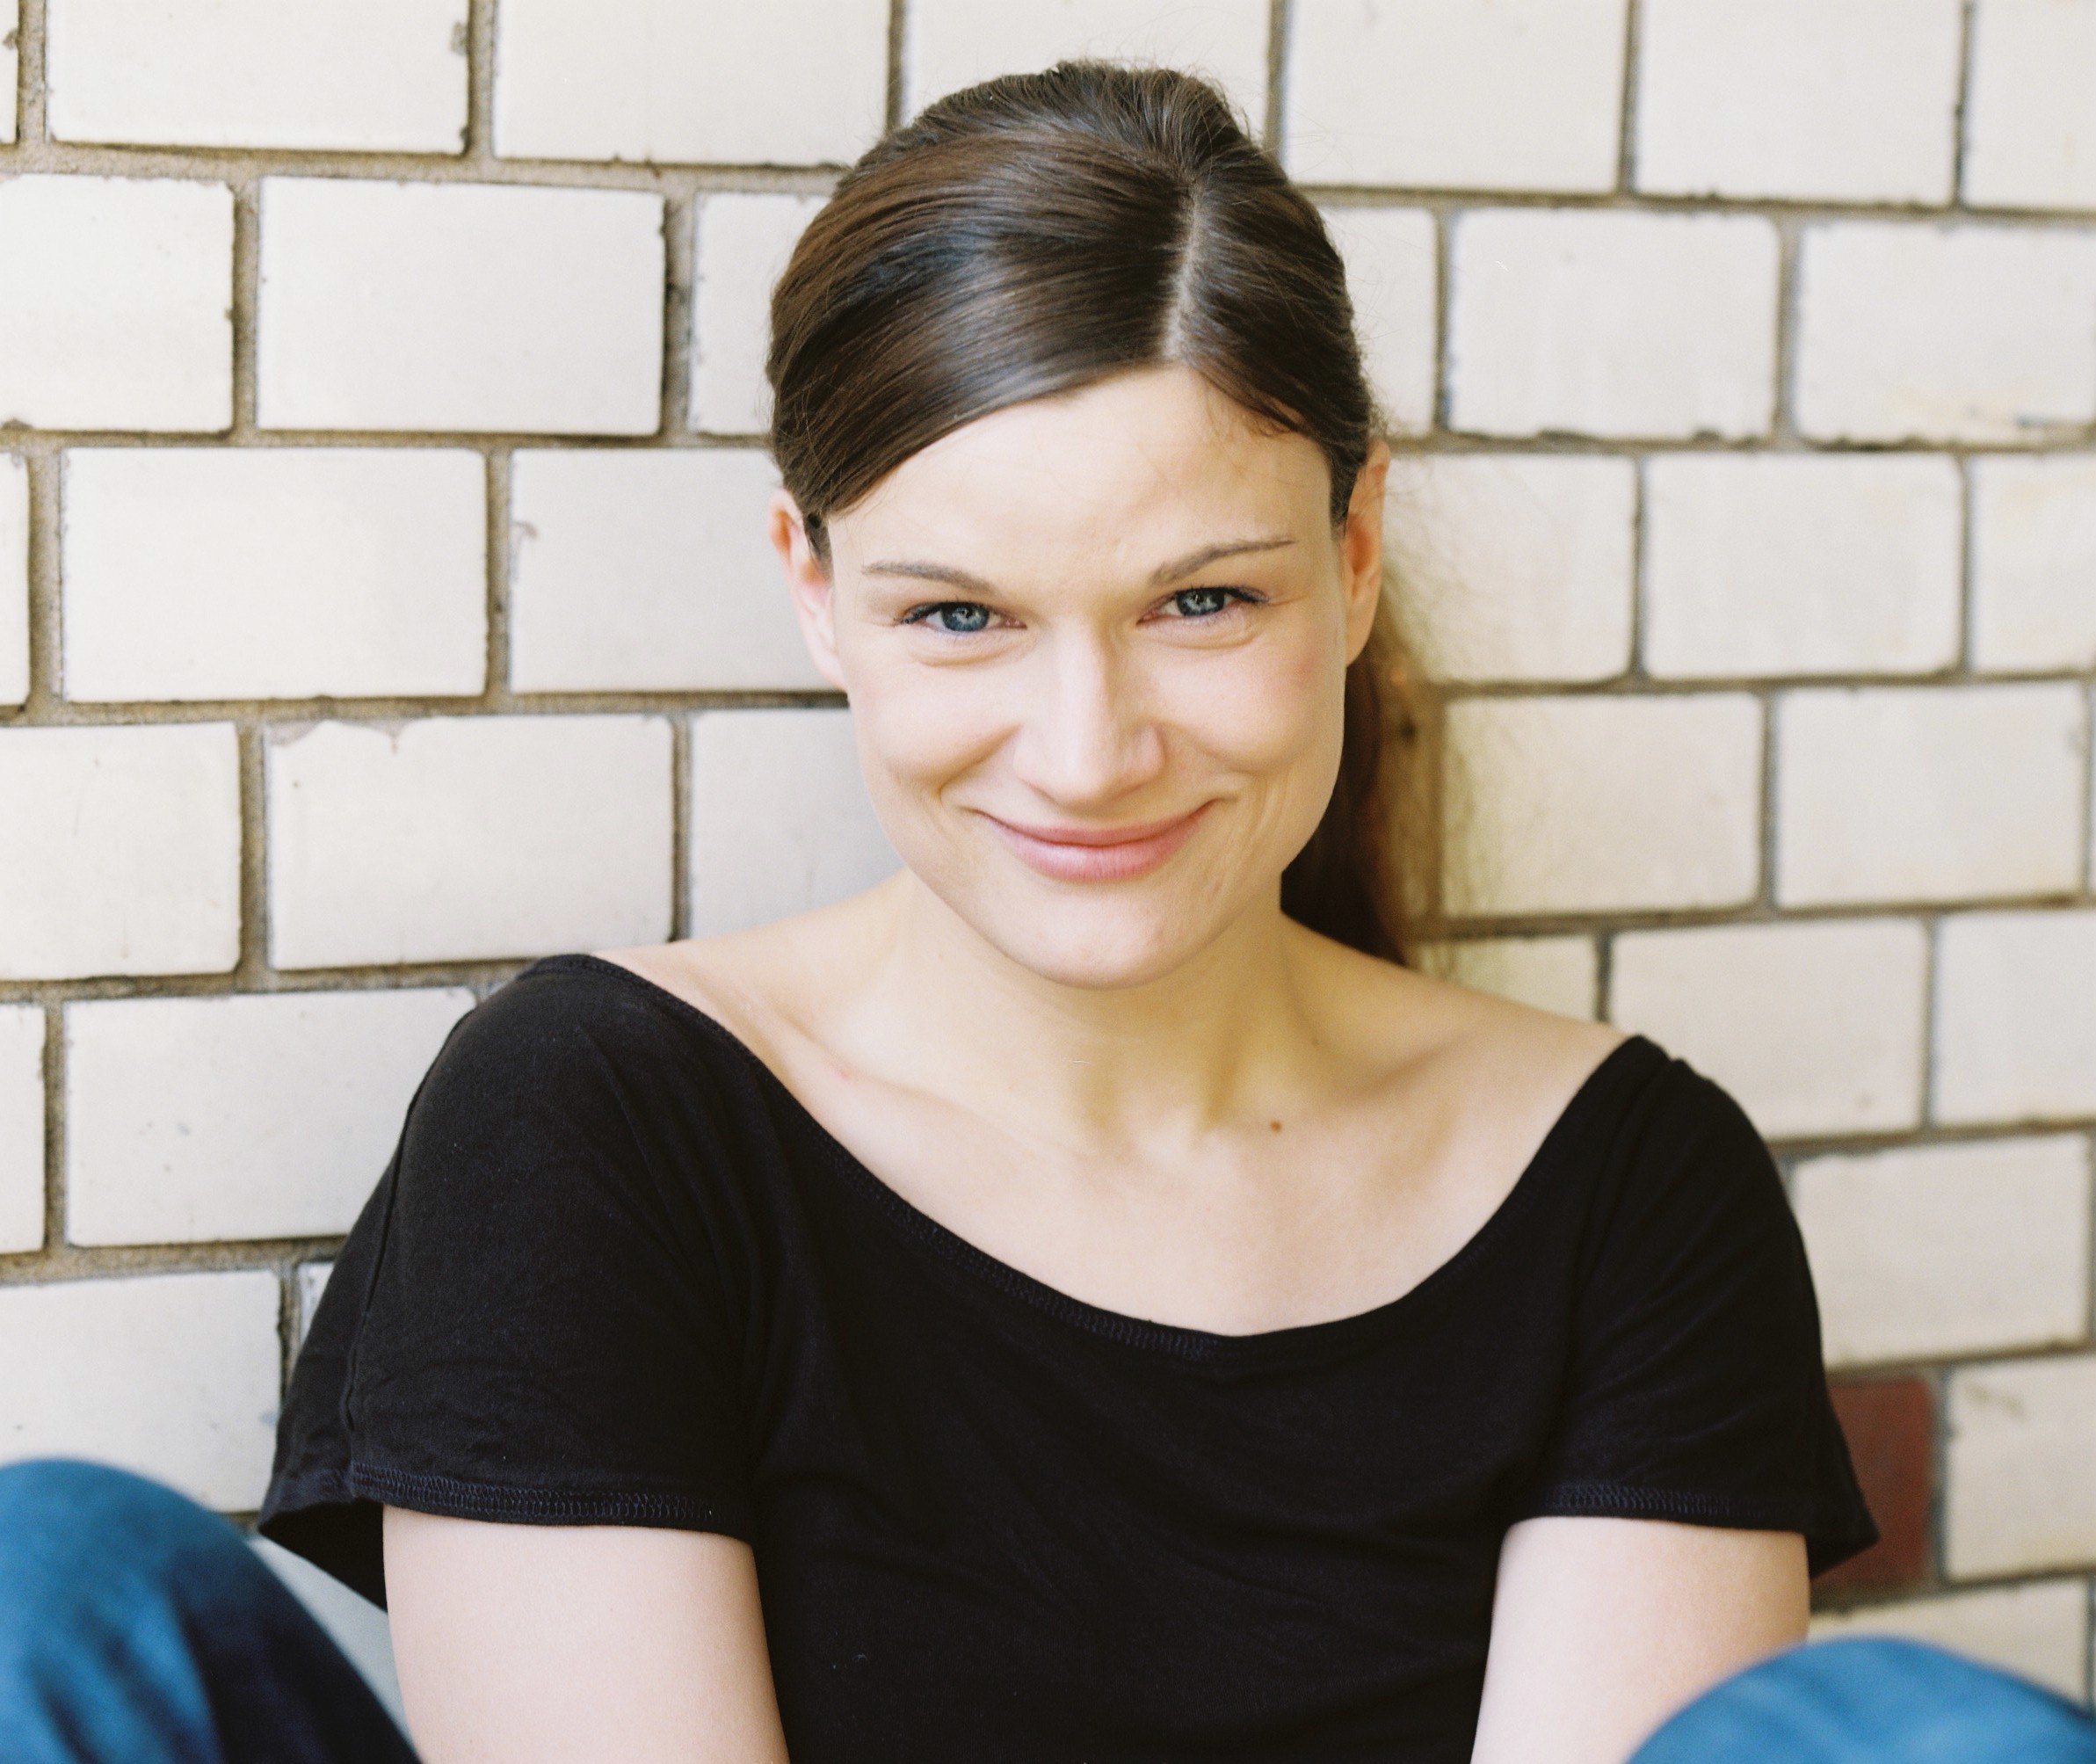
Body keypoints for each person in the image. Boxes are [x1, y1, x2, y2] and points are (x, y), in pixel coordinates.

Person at [6, 57, 2072, 1764]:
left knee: (1906, 1733)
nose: (1085, 751)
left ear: (1351, 557)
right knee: (54, 1588)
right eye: (961, 616)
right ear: (815, 588)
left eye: (1201, 599)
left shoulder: (1623, 1181)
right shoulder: (605, 1118)